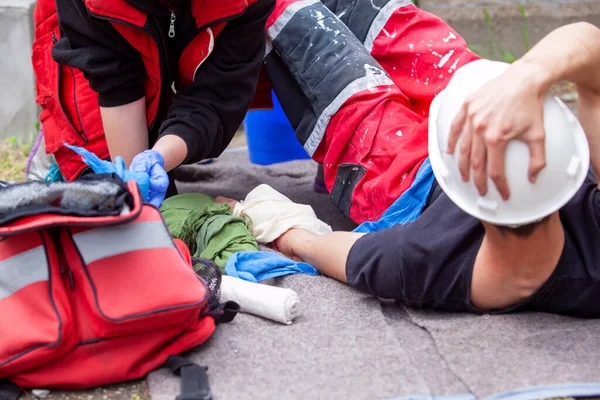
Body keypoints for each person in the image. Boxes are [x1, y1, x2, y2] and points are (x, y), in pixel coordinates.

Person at [219, 22, 600, 318]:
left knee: (296, 20)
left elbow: (326, 248)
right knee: (377, 16)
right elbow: (590, 46)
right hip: (487, 106)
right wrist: (524, 79)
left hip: (400, 178)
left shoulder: (428, 258)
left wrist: (277, 226)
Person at [31, 0, 275, 207]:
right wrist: (131, 187)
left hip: (183, 30)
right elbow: (114, 82)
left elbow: (216, 96)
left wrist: (157, 156)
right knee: (108, 195)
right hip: (95, 32)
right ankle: (58, 148)